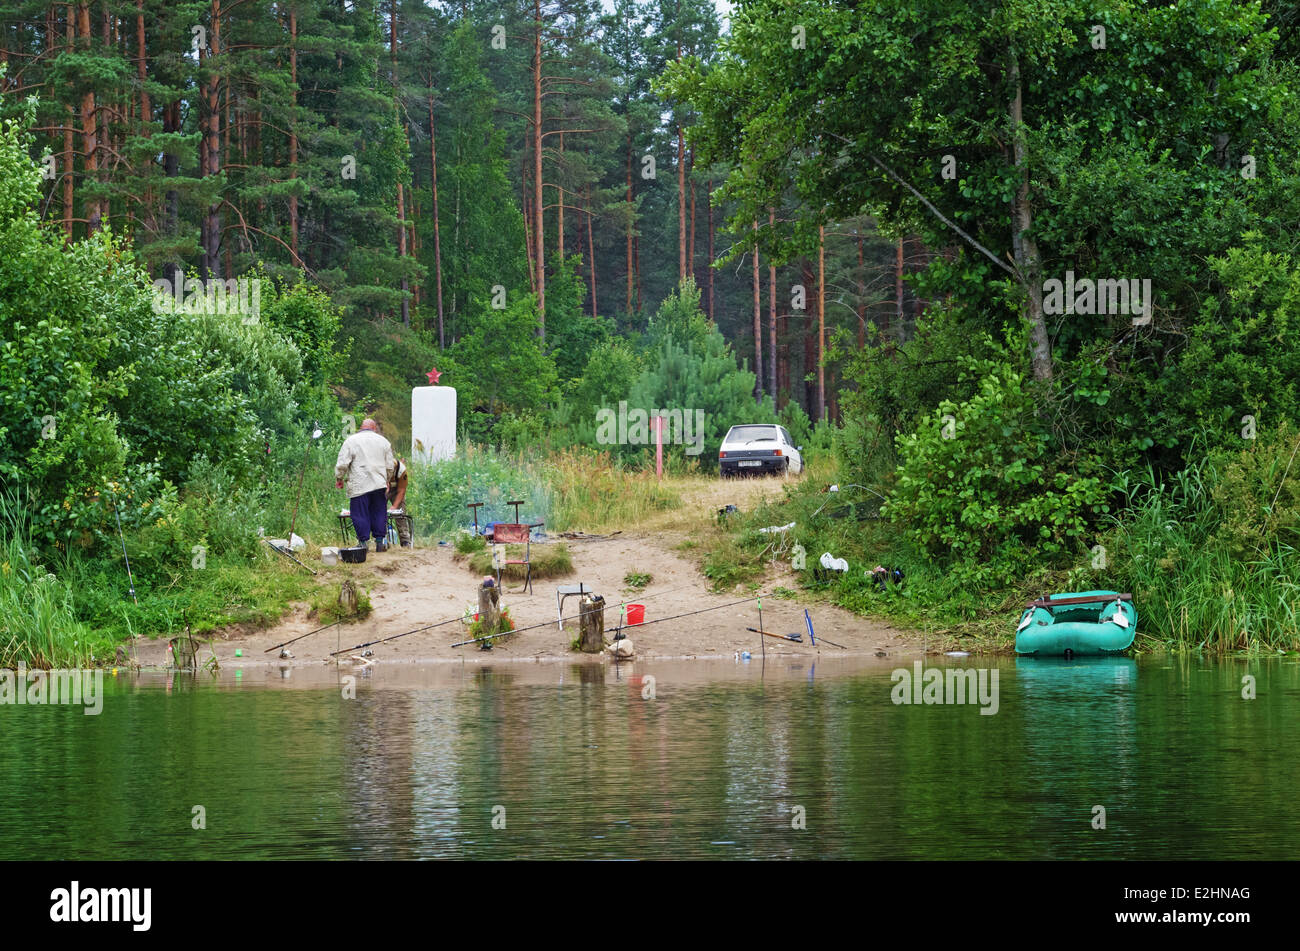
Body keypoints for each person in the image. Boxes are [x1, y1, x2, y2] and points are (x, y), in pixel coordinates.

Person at [335, 419, 396, 551]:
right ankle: (380, 543)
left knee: (360, 513)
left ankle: (363, 544)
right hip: (379, 483)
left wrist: (339, 477)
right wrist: (387, 479)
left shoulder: (351, 441)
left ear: (361, 428)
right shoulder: (384, 442)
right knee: (379, 512)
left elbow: (342, 463)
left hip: (359, 483)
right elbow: (390, 466)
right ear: (374, 428)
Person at [387, 455, 412, 548]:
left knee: (400, 513)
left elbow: (402, 490)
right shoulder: (381, 468)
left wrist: (394, 506)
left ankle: (405, 541)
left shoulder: (402, 471)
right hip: (384, 487)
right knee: (378, 512)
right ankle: (381, 539)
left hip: (397, 490)